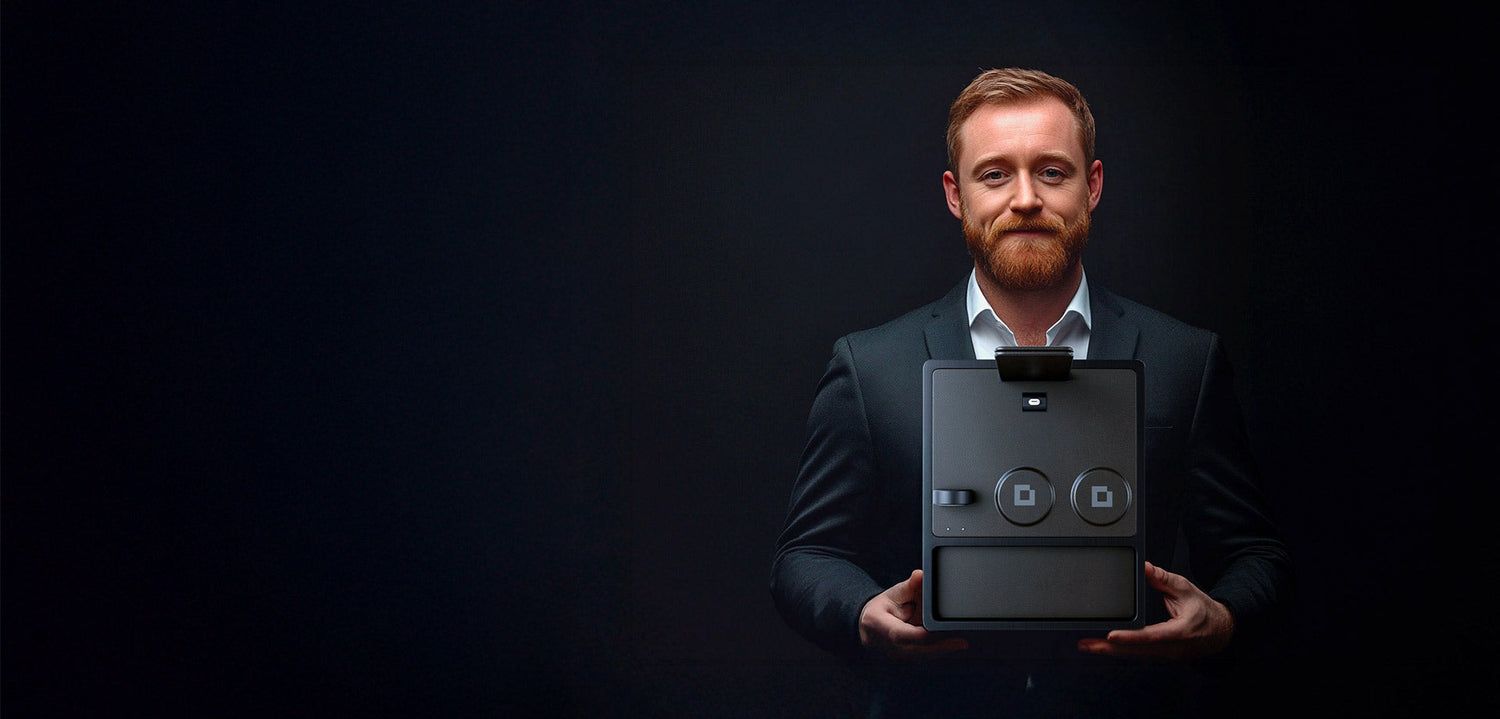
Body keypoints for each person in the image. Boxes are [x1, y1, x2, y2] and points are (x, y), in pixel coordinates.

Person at [770, 68, 1292, 716]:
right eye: (994, 174)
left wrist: (1224, 616)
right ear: (955, 194)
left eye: (1051, 171)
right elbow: (806, 555)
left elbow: (1254, 553)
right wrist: (860, 611)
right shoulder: (870, 367)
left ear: (1092, 184)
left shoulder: (1184, 359)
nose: (1025, 198)